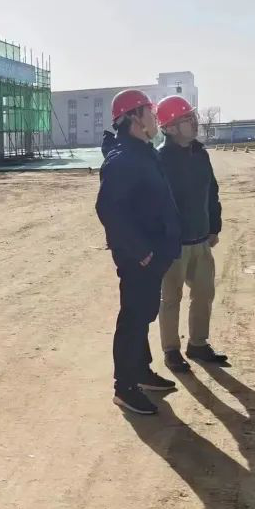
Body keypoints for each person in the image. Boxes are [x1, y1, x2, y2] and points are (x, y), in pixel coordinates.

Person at [95, 89, 183, 416]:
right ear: (134, 117)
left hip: (153, 254)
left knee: (144, 314)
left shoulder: (143, 152)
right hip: (139, 259)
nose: (155, 118)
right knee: (132, 319)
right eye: (150, 112)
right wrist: (142, 251)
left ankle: (141, 371)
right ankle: (125, 387)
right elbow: (108, 210)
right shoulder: (123, 159)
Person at [154, 96, 229, 373]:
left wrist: (214, 227)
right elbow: (153, 204)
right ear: (170, 127)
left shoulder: (200, 154)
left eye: (193, 117)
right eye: (187, 119)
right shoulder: (160, 159)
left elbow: (212, 192)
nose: (195, 123)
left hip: (200, 240)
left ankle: (198, 343)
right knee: (171, 298)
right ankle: (171, 350)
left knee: (204, 294)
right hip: (174, 245)